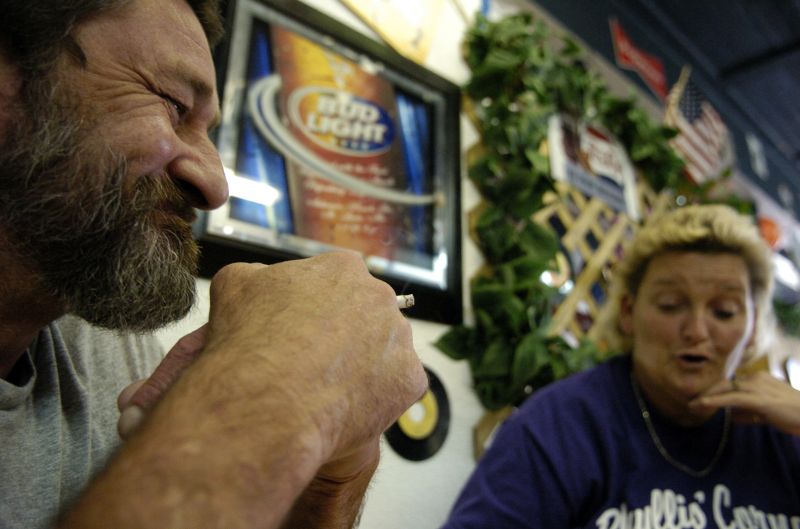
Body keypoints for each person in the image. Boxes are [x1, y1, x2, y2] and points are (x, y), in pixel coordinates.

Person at [0, 1, 427, 528]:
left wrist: (332, 473)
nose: (215, 186)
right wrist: (279, 384)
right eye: (173, 103)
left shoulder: (109, 350)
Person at [441, 204, 800, 528]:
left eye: (724, 311)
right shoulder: (561, 426)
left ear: (753, 327)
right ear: (628, 312)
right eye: (671, 304)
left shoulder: (783, 429)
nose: (696, 330)